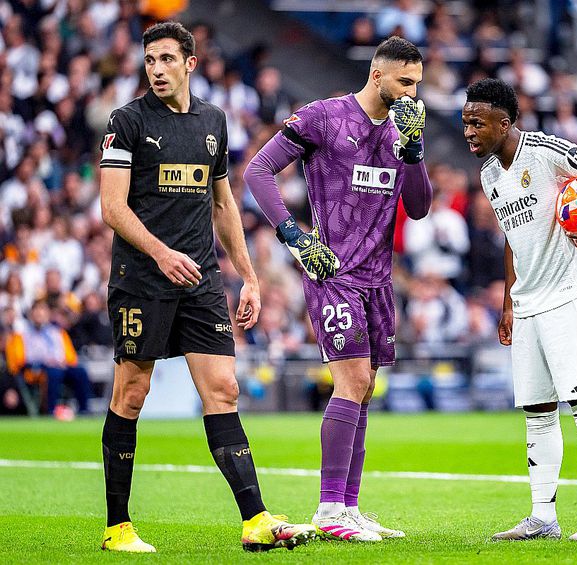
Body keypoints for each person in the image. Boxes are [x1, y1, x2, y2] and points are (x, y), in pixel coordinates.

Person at [97, 22, 315, 553]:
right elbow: (112, 207)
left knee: (224, 390)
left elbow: (223, 204)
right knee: (132, 393)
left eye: (168, 59)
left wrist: (249, 276)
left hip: (200, 280)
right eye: (150, 60)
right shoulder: (126, 121)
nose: (157, 69)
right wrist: (160, 253)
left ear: (190, 63)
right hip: (142, 280)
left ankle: (255, 519)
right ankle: (117, 528)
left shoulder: (213, 121)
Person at [243, 36, 433, 542]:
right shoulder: (325, 117)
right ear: (377, 75)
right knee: (351, 383)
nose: (413, 93)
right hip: (332, 271)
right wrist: (294, 237)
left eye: (418, 84)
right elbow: (258, 170)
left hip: (378, 278)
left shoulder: (403, 131)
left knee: (364, 389)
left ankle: (348, 507)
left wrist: (414, 150)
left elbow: (418, 208)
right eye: (405, 82)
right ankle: (329, 508)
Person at [462, 78, 577, 542]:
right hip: (528, 302)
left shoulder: (544, 151)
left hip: (570, 293)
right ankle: (543, 518)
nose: (469, 131)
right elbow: (512, 240)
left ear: (504, 123)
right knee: (537, 411)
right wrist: (507, 302)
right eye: (465, 123)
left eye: (477, 123)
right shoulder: (489, 175)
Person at [5, 299, 91, 416]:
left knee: (80, 372)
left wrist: (61, 362)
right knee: (54, 373)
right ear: (31, 314)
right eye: (37, 311)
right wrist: (46, 361)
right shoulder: (23, 334)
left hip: (60, 366)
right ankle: (51, 410)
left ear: (48, 314)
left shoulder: (57, 332)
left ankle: (84, 409)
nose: (40, 314)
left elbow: (71, 357)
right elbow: (20, 358)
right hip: (36, 368)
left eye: (43, 311)